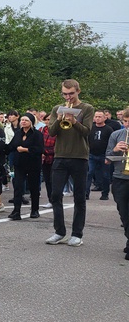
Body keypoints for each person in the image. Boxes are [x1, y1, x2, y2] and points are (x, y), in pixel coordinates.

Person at [45, 79, 95, 247]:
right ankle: (59, 231)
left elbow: (87, 132)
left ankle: (77, 234)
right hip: (60, 156)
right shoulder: (56, 109)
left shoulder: (87, 108)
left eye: (71, 93)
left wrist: (74, 121)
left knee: (79, 197)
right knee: (55, 195)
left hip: (80, 156)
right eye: (65, 94)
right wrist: (59, 119)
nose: (68, 97)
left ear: (78, 91)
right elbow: (51, 132)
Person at [6, 114, 43, 220]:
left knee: (34, 187)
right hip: (19, 164)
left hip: (33, 164)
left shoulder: (37, 134)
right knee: (18, 187)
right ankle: (16, 211)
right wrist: (0, 148)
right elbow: (11, 146)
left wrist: (25, 150)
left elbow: (40, 150)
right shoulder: (18, 133)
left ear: (31, 122)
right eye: (22, 120)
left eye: (26, 120)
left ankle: (34, 210)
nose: (23, 122)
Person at [105, 108, 129, 260]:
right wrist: (115, 150)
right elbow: (107, 159)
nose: (127, 125)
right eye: (125, 122)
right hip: (120, 177)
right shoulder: (116, 135)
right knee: (124, 211)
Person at [87, 110, 114, 200]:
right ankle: (85, 194)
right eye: (96, 116)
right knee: (89, 173)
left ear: (104, 118)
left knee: (105, 175)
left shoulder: (108, 129)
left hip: (104, 155)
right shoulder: (91, 128)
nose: (97, 118)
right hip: (91, 155)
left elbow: (111, 143)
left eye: (100, 117)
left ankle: (105, 194)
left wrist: (109, 156)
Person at [40, 115, 56, 208]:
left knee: (54, 180)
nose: (48, 121)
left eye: (50, 119)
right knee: (47, 180)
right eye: (46, 119)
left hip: (55, 157)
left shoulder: (58, 130)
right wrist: (41, 152)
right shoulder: (42, 130)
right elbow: (38, 142)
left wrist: (45, 152)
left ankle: (56, 199)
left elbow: (59, 145)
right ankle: (50, 199)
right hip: (44, 159)